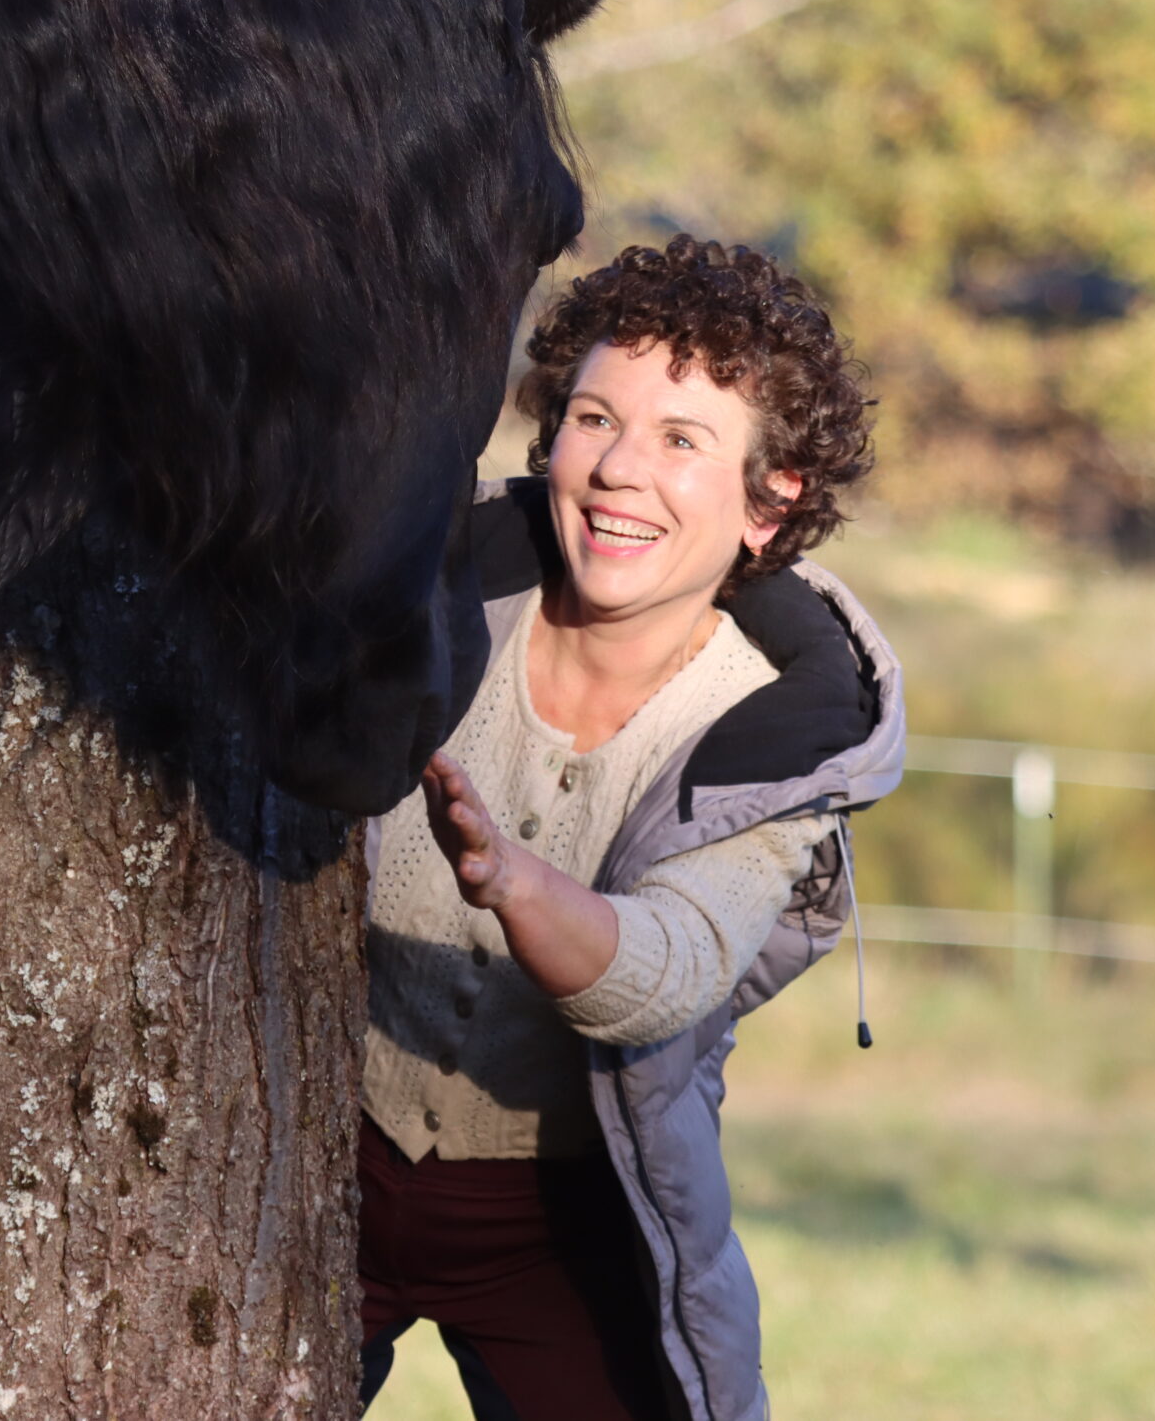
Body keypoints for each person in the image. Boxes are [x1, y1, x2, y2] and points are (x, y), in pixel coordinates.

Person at [358, 235, 906, 1421]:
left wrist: (512, 879)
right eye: (594, 419)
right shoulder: (411, 601)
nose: (617, 472)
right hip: (309, 1168)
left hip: (558, 1220)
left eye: (681, 442)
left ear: (772, 502)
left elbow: (667, 974)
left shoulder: (782, 732)